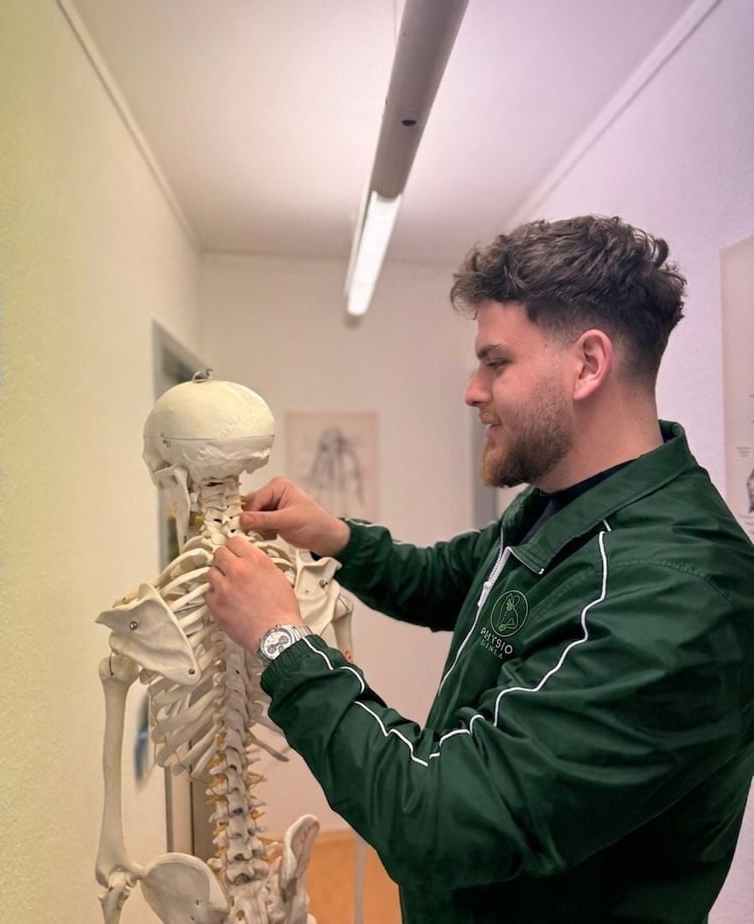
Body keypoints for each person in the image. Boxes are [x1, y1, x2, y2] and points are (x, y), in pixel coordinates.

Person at [206, 215, 754, 924]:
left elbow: (435, 817)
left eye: (497, 363)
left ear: (588, 364)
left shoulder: (679, 595)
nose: (473, 390)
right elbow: (457, 579)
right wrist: (336, 537)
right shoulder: (558, 508)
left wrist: (281, 640)